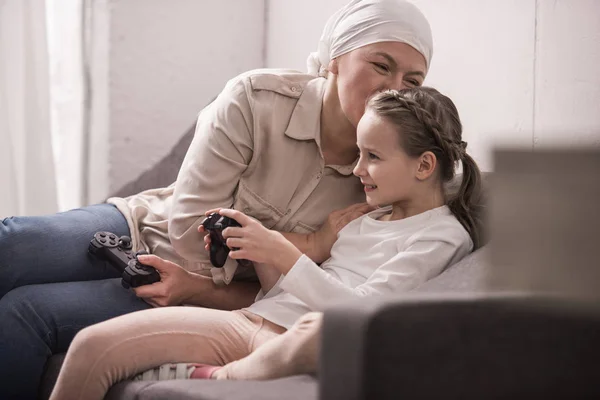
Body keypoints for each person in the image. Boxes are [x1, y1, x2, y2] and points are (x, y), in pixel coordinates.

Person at [0, 1, 434, 398]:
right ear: (335, 59)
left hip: (194, 290)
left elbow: (285, 294)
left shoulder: (391, 178)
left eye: (412, 81)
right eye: (381, 66)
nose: (393, 89)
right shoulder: (256, 98)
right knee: (11, 245)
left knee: (24, 312)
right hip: (142, 226)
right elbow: (190, 229)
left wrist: (206, 286)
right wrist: (308, 245)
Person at [48, 85, 482, 399]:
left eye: (373, 157)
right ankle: (218, 370)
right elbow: (282, 295)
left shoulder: (443, 235)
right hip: (254, 322)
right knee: (91, 346)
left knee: (321, 329)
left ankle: (221, 379)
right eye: (359, 153)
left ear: (424, 165)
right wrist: (258, 248)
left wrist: (283, 253)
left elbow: (358, 313)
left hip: (298, 338)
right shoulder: (366, 216)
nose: (357, 170)